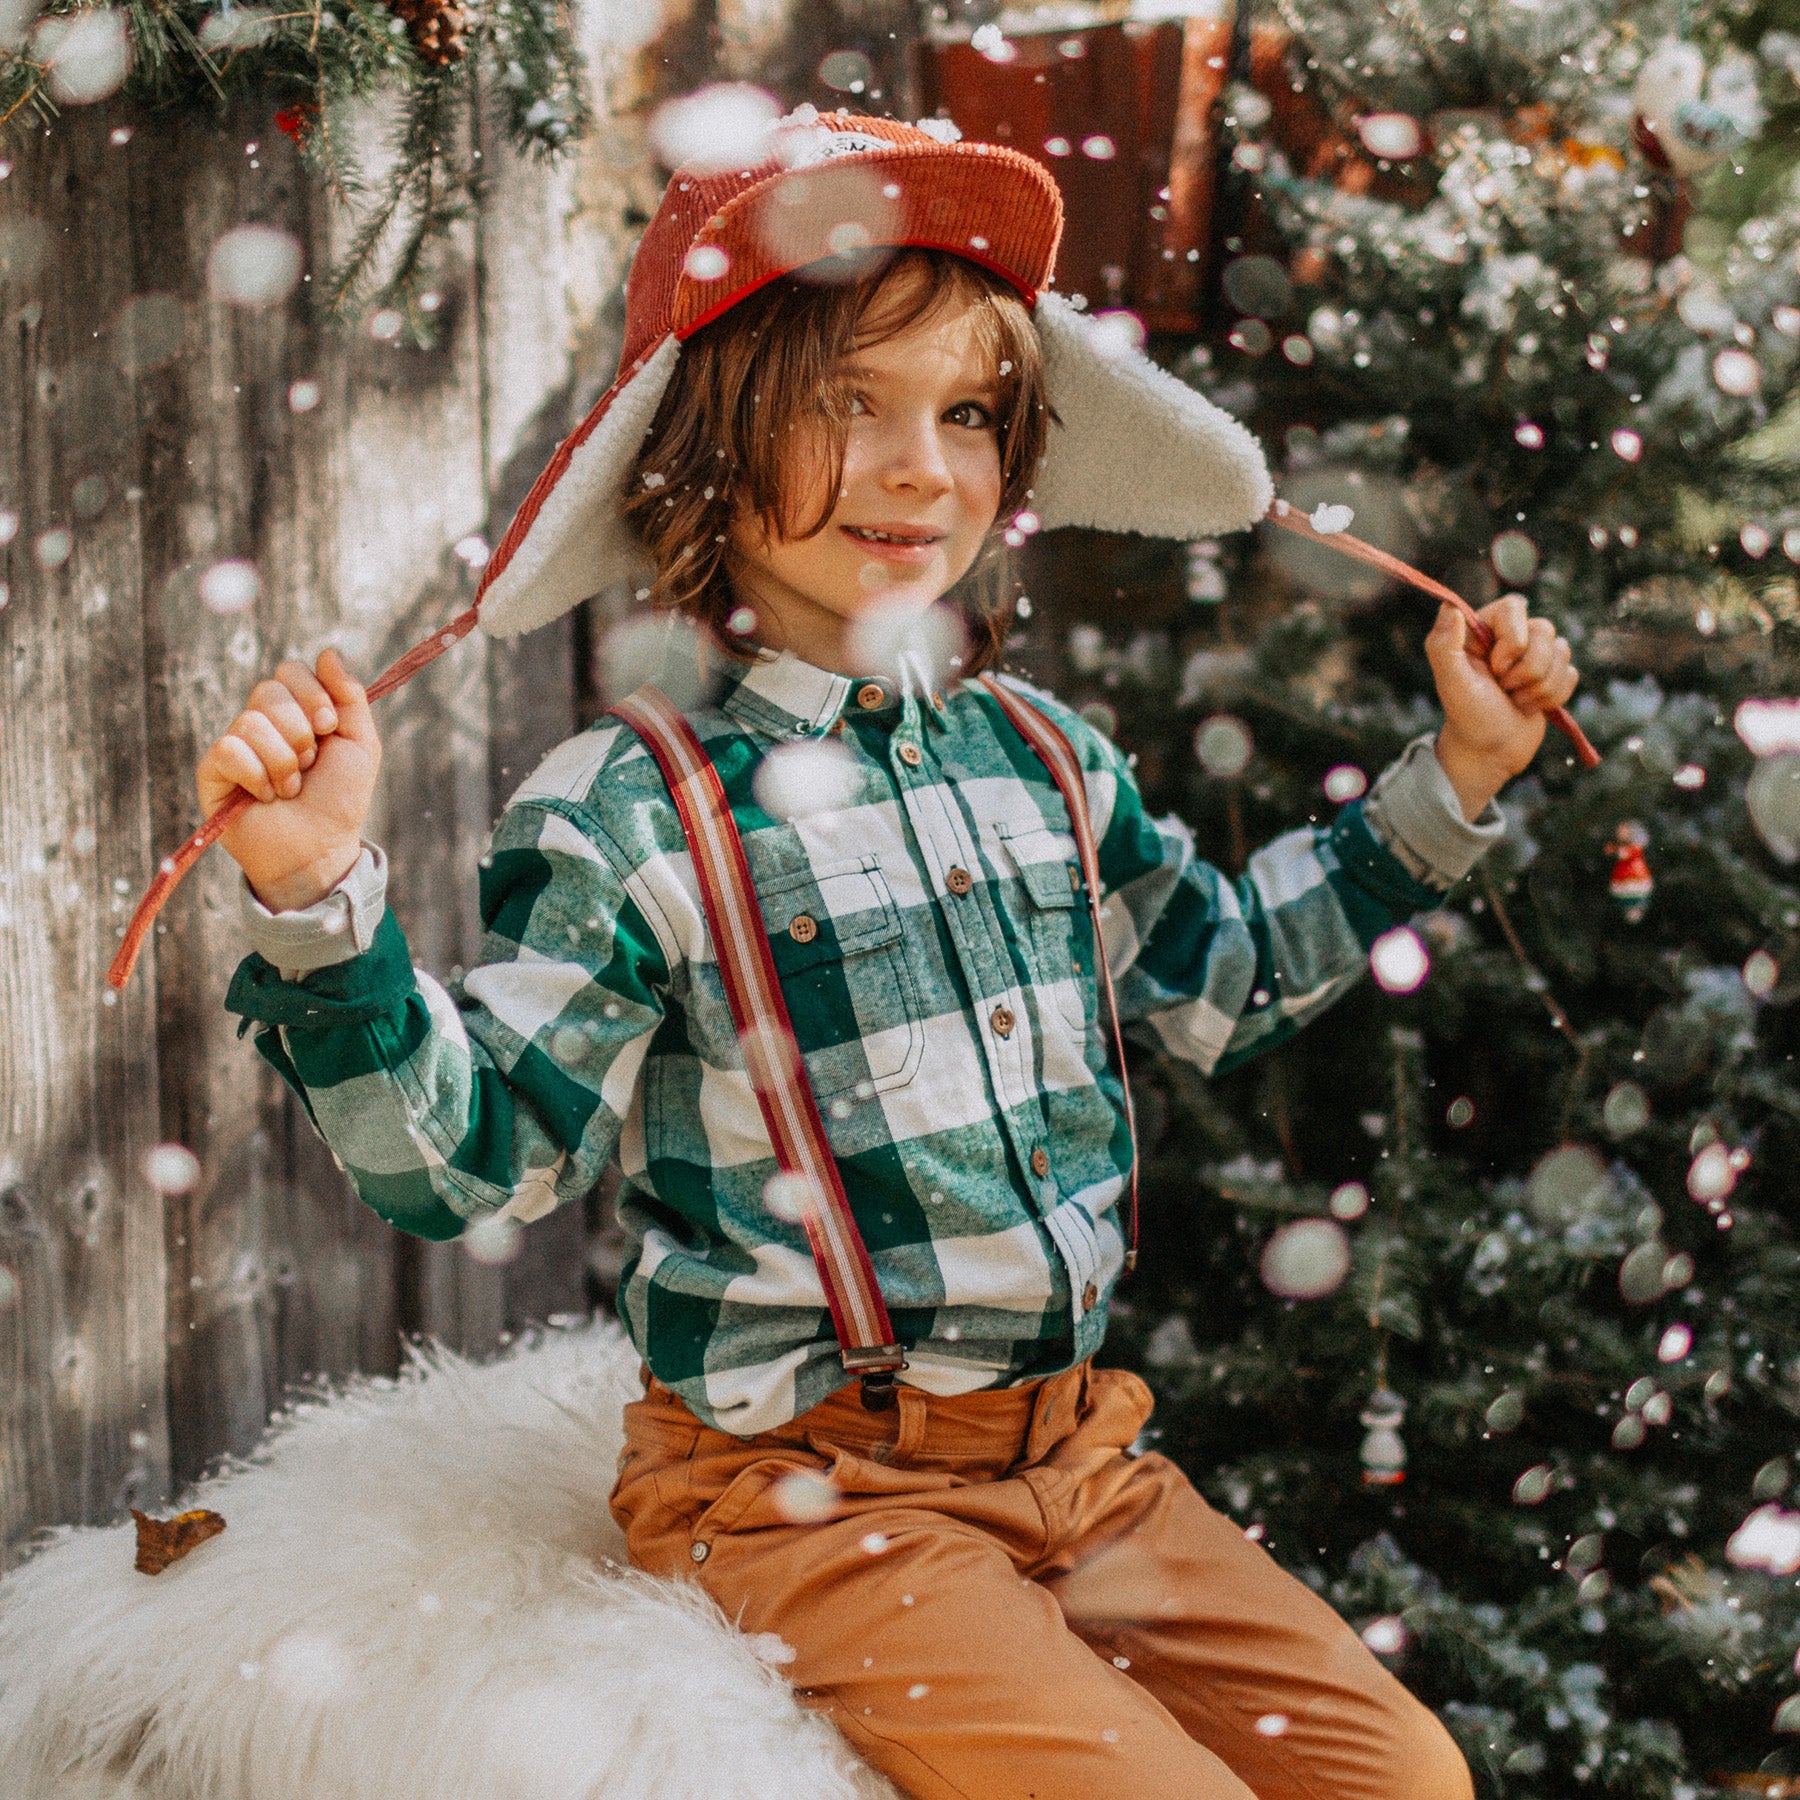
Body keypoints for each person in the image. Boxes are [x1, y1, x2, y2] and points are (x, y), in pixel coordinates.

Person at [207, 111, 1576, 1800]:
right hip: (810, 1496)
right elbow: (484, 1162)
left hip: (1081, 1460)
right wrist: (319, 902)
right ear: (708, 445)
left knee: (1405, 1780)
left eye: (970, 412)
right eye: (850, 403)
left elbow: (1217, 975)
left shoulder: (1045, 759)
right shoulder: (637, 813)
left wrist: (1454, 785)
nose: (924, 466)